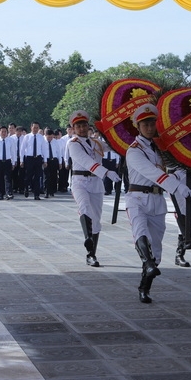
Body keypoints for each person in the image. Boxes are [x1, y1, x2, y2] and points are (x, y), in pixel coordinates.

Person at [124, 103, 190, 303]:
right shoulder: (134, 151)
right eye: (146, 124)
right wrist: (176, 187)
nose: (150, 127)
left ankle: (145, 286)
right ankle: (148, 265)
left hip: (157, 201)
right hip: (137, 198)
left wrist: (181, 172)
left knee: (157, 251)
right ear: (137, 125)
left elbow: (168, 168)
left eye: (153, 123)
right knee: (140, 231)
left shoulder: (160, 149)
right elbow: (152, 173)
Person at [67, 110, 120, 267]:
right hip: (79, 181)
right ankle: (88, 240)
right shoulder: (73, 143)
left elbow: (114, 146)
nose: (82, 129)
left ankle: (92, 254)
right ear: (73, 128)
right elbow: (86, 162)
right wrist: (107, 172)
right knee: (84, 208)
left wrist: (119, 136)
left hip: (95, 183)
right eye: (78, 126)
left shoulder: (96, 143)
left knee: (96, 219)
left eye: (84, 125)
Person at [21, 121, 47, 200]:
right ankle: (26, 188)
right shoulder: (27, 137)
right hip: (29, 158)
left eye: (37, 128)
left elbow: (44, 149)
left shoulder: (41, 137)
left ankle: (37, 194)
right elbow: (22, 149)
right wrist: (21, 160)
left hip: (38, 158)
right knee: (28, 176)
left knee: (37, 176)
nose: (35, 129)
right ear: (31, 127)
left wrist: (45, 160)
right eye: (34, 127)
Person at [0, 125, 17, 200]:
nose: (4, 133)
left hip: (7, 161)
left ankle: (8, 193)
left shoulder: (11, 140)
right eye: (2, 131)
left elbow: (13, 152)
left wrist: (13, 162)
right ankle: (1, 194)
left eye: (5, 132)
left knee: (8, 178)